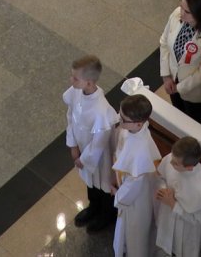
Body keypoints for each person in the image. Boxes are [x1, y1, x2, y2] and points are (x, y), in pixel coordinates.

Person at [64, 54, 118, 235]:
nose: (71, 80)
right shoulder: (76, 92)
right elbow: (70, 117)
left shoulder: (101, 109)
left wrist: (84, 159)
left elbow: (99, 143)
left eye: (75, 78)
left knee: (103, 185)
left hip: (99, 158)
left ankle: (107, 214)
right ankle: (93, 206)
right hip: (81, 150)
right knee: (90, 183)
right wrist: (73, 146)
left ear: (89, 83)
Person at [110, 93, 161, 256]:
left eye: (124, 119)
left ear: (139, 123)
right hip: (127, 187)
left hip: (136, 200)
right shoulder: (131, 130)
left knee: (135, 235)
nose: (120, 119)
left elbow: (134, 184)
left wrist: (119, 196)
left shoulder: (141, 150)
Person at [154, 136, 201, 257]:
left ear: (189, 167)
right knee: (163, 245)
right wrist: (163, 189)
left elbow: (196, 220)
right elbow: (160, 176)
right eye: (172, 158)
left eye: (175, 163)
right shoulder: (172, 158)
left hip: (185, 229)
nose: (170, 163)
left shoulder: (200, 188)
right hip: (167, 214)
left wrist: (173, 204)